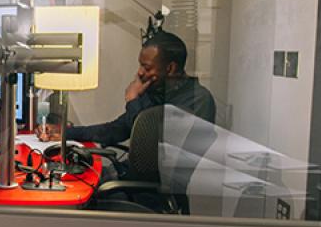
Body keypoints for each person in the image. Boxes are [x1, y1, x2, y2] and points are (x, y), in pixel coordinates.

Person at [37, 30, 216, 147]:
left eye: (147, 67)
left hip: (156, 195)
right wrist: (64, 132)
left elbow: (150, 138)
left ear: (170, 68)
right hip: (132, 179)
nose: (139, 72)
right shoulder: (158, 91)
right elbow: (118, 129)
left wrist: (133, 100)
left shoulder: (196, 100)